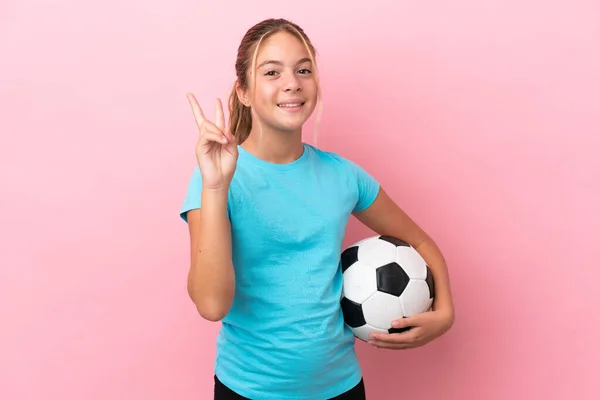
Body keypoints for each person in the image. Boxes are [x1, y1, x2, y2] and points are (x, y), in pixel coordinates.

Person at [180, 18, 455, 400]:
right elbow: (211, 304)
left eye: (303, 70)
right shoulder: (217, 178)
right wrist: (214, 187)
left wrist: (444, 313)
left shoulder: (343, 176)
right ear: (243, 91)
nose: (292, 82)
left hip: (340, 388)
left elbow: (421, 242)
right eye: (272, 72)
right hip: (247, 390)